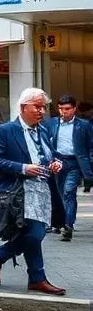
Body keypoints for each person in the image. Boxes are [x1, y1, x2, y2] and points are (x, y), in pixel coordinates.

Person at [0, 87, 65, 296]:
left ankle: (2, 258)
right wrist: (23, 168)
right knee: (35, 234)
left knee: (32, 234)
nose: (41, 111)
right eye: (36, 107)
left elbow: (50, 155)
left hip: (42, 191)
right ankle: (34, 276)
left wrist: (55, 163)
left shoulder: (44, 130)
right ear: (22, 107)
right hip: (16, 193)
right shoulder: (6, 130)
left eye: (43, 107)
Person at [44, 94, 93, 241]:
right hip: (57, 162)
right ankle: (65, 222)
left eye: (67, 109)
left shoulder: (83, 125)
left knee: (68, 192)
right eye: (60, 109)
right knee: (61, 195)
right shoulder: (51, 123)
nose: (63, 112)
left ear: (74, 109)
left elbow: (90, 146)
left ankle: (68, 225)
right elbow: (45, 143)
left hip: (75, 163)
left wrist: (89, 166)